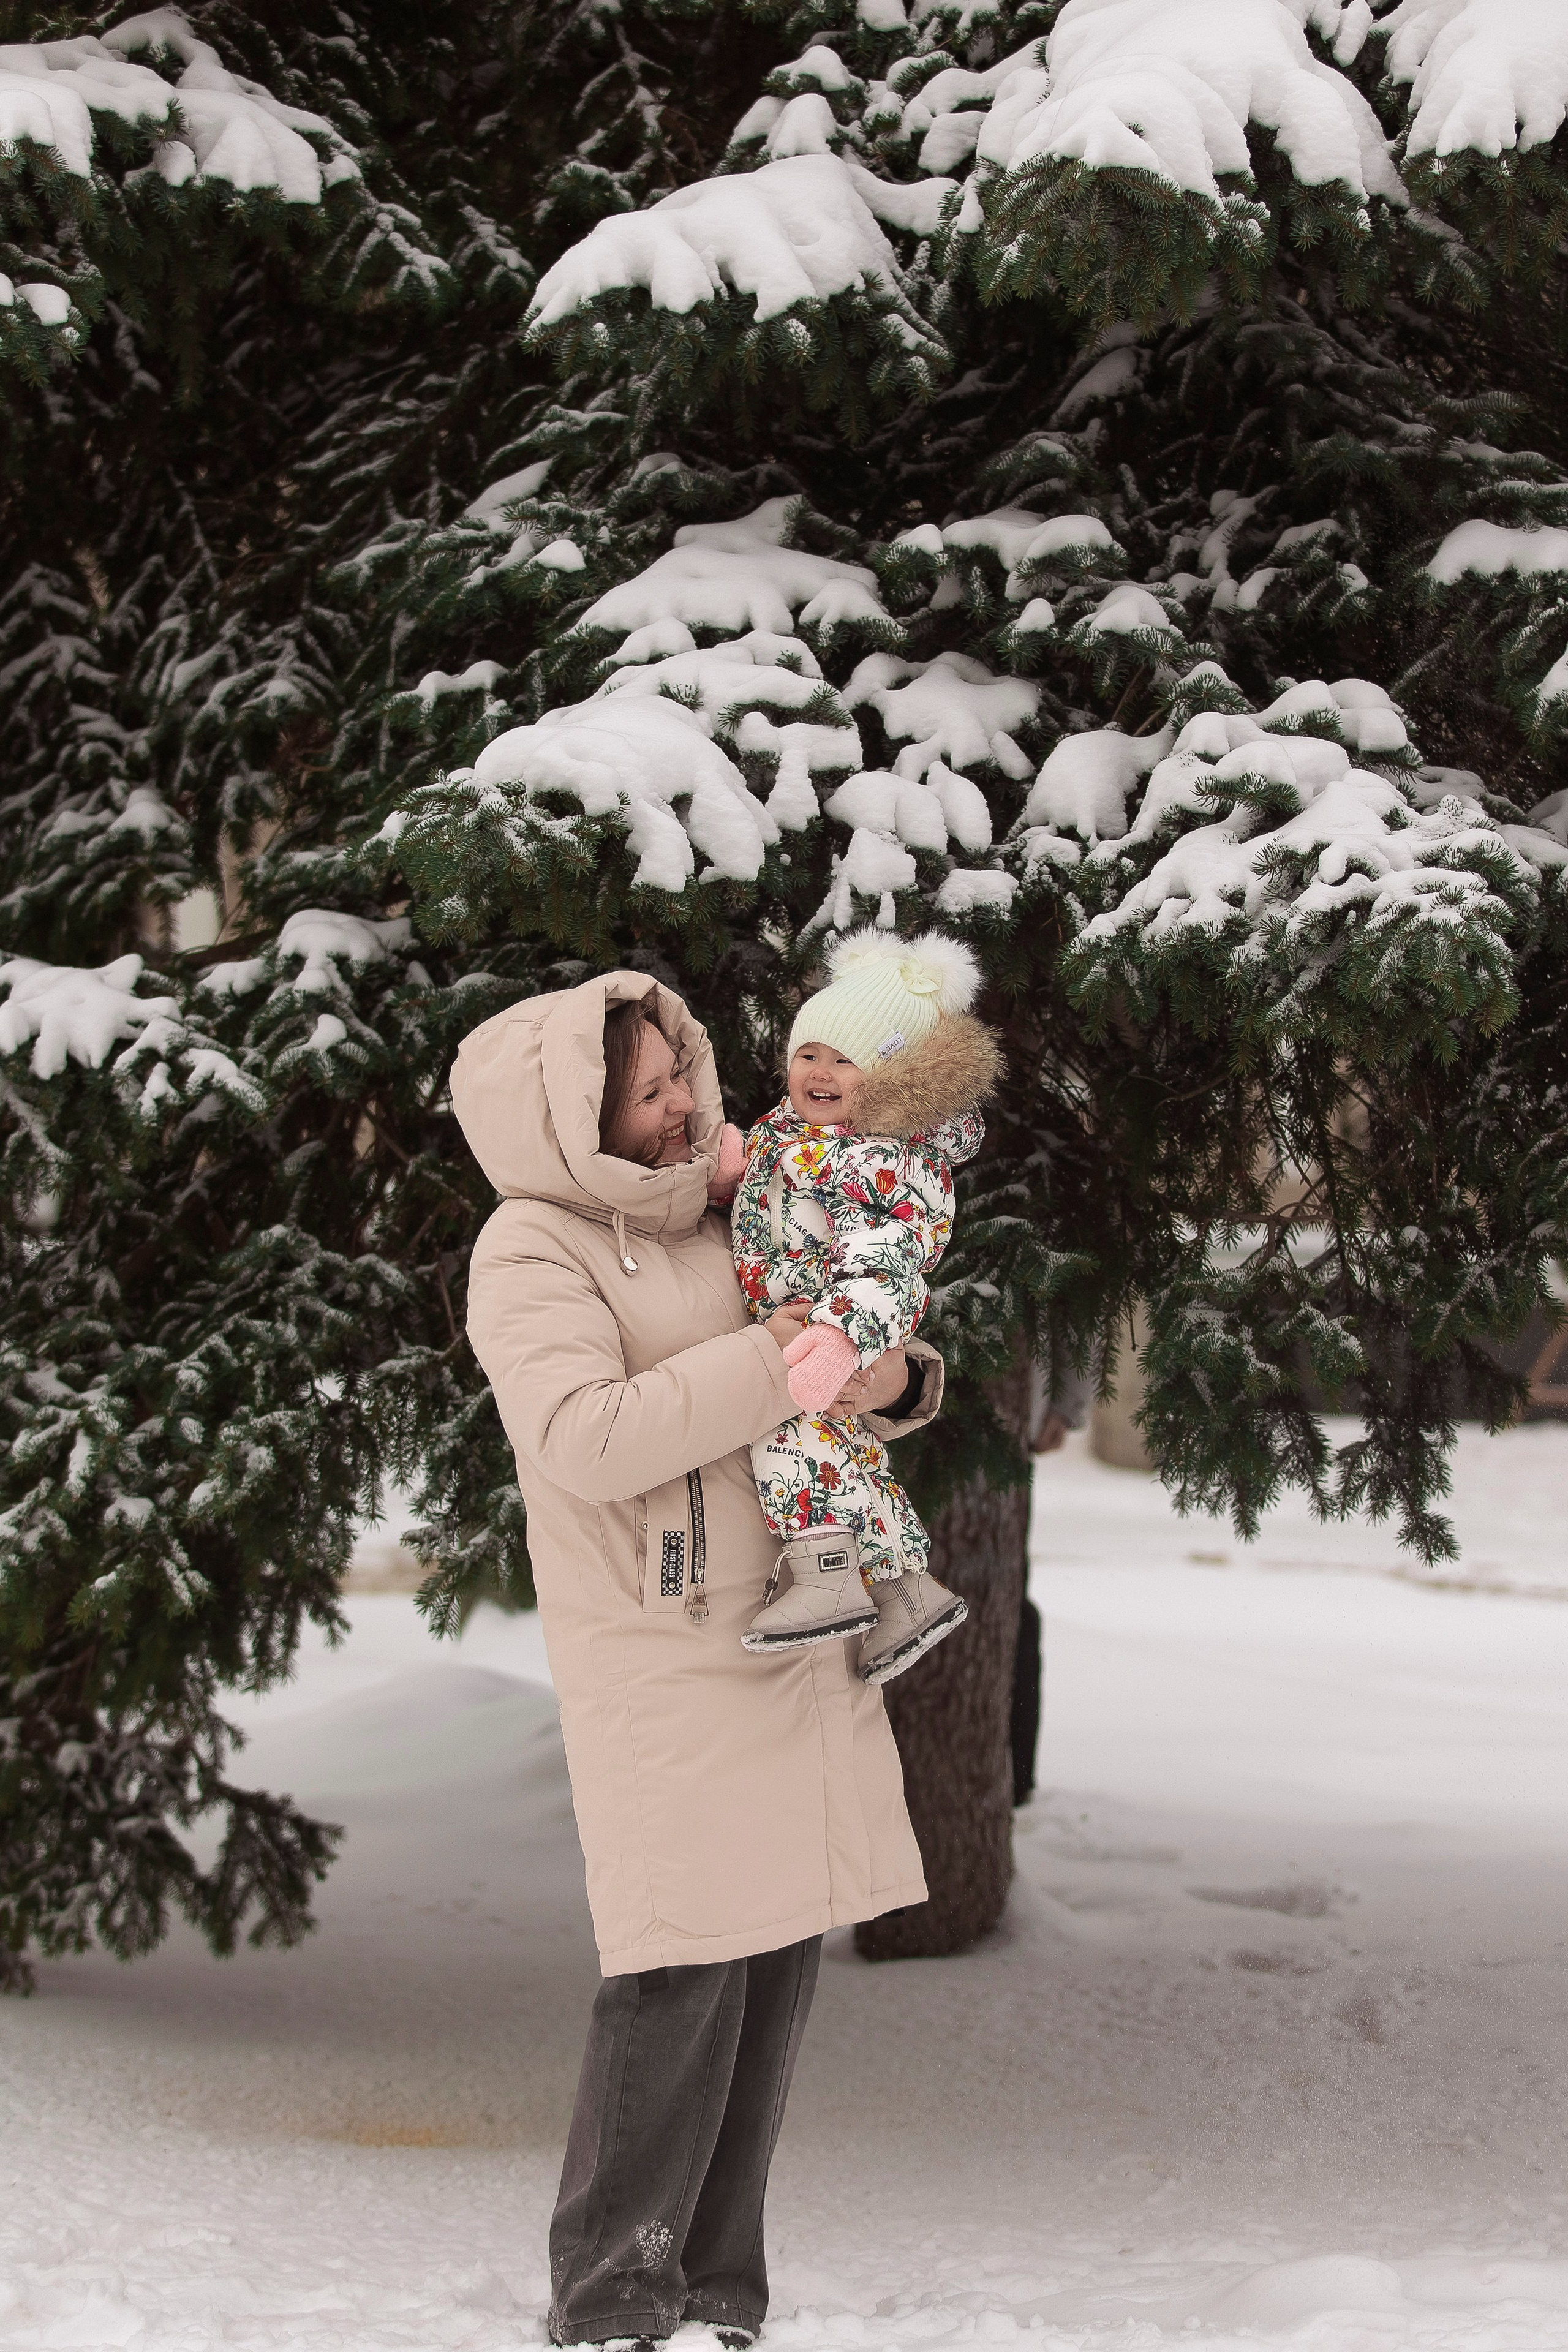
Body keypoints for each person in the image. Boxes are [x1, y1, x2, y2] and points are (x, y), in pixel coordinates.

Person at [449, 970, 941, 2350]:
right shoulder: (532, 1248)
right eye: (649, 1093)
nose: (681, 1108)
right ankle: (612, 2299)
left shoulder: (741, 1200)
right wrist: (771, 1354)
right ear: (576, 1117)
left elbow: (850, 1323)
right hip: (662, 1642)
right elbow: (584, 1438)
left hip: (792, 1618)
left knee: (777, 1954)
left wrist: (887, 1378)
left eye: (682, 1078)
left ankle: (720, 2297)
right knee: (677, 1964)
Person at [726, 930, 1000, 1684]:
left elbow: (888, 1259)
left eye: (845, 1059)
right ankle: (907, 1590)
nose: (819, 1071)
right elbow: (779, 1205)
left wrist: (843, 1336)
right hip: (810, 1320)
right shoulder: (797, 1135)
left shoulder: (879, 1156)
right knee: (851, 1455)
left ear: (887, 1079)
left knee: (787, 1441)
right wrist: (736, 1176)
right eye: (808, 1052)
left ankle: (825, 1573)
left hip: (834, 1326)